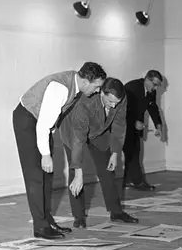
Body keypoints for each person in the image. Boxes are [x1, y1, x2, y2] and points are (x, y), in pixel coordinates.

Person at [12, 62, 106, 239]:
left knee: (47, 176)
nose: (98, 91)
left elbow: (50, 120)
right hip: (27, 120)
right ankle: (40, 227)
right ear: (86, 81)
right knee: (35, 176)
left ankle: (47, 220)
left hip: (41, 124)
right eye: (97, 86)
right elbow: (42, 125)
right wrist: (45, 155)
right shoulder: (60, 88)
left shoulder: (75, 86)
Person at [59, 77, 139, 229]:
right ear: (101, 93)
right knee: (75, 174)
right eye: (110, 102)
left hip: (98, 131)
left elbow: (119, 124)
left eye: (117, 102)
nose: (114, 106)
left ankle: (116, 212)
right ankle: (79, 217)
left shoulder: (120, 99)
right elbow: (78, 139)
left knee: (107, 169)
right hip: (73, 133)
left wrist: (115, 152)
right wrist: (79, 172)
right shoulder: (85, 104)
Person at [123, 70, 164, 191]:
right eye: (154, 84)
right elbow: (123, 108)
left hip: (137, 125)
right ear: (147, 79)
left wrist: (158, 125)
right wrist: (134, 122)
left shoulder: (151, 91)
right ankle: (138, 181)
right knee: (133, 152)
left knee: (134, 151)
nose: (155, 88)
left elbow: (152, 107)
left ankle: (129, 180)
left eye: (157, 85)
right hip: (124, 124)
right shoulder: (131, 87)